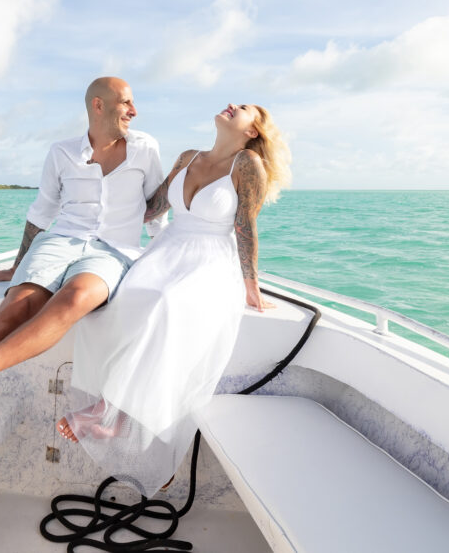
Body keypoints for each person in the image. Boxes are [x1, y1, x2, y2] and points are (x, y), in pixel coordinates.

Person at [0, 77, 167, 453]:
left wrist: (164, 258)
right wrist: (16, 266)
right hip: (59, 242)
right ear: (98, 105)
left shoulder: (145, 148)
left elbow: (155, 210)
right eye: (125, 102)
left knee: (75, 299)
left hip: (113, 251)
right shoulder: (61, 152)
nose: (134, 111)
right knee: (16, 307)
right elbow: (42, 212)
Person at [55, 103, 292, 497]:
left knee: (164, 302)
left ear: (252, 131)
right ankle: (111, 410)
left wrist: (251, 284)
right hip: (166, 250)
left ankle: (110, 413)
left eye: (243, 108)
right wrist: (97, 209)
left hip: (210, 260)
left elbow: (245, 226)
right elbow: (154, 207)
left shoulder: (248, 163)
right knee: (118, 299)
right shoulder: (187, 157)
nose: (232, 106)